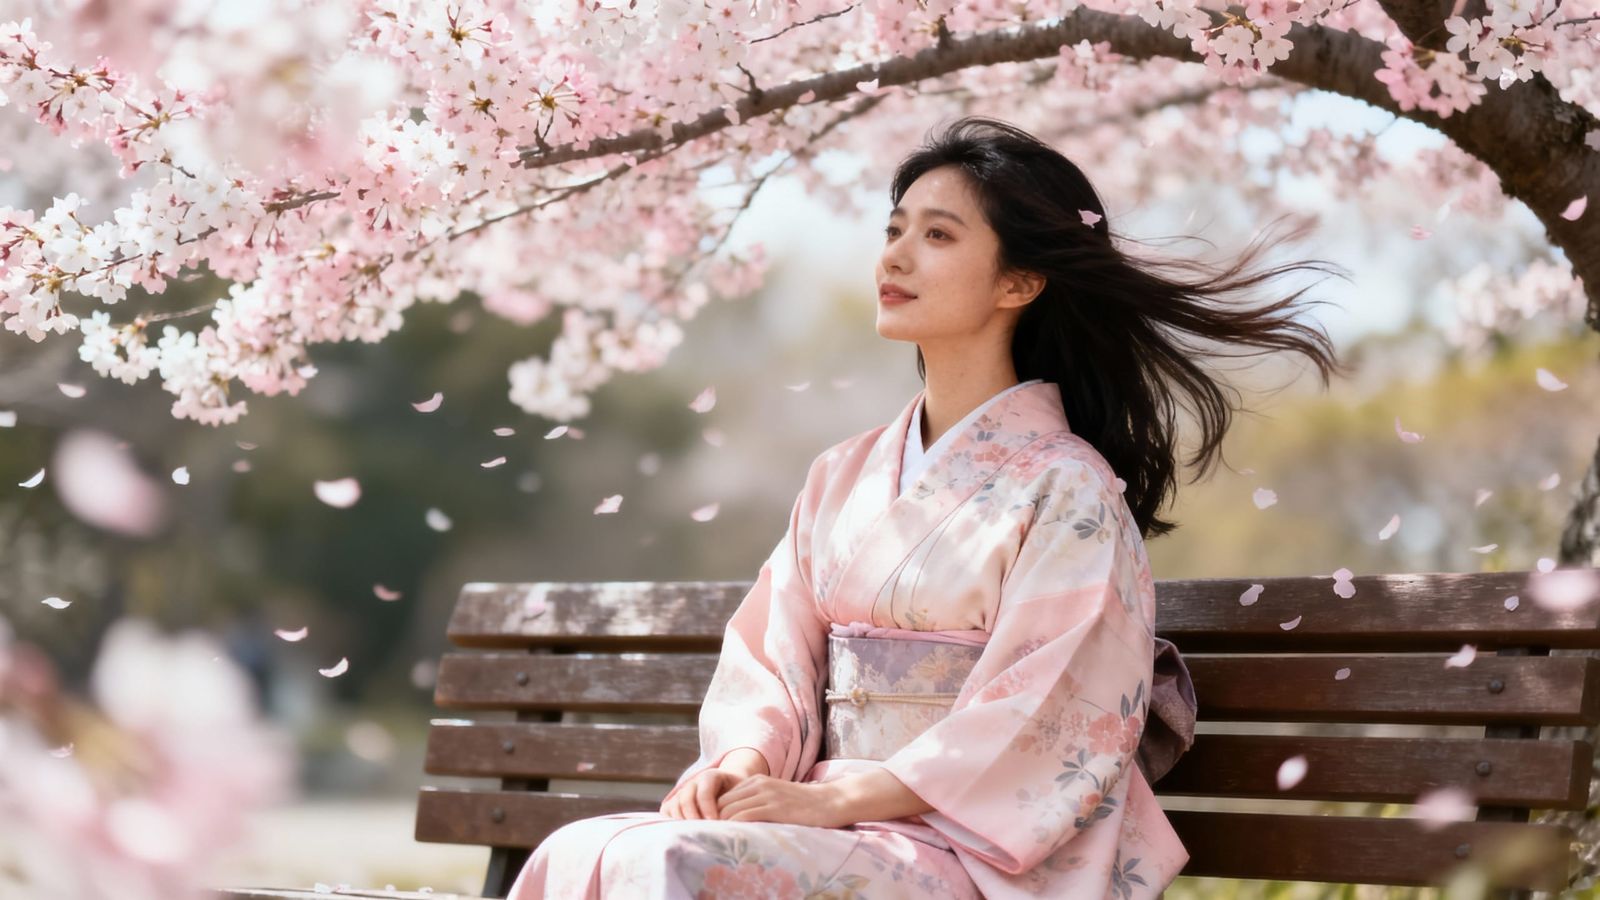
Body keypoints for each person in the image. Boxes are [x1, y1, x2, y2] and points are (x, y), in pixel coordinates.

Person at [508, 115, 1348, 899]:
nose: (896, 257)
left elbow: (1048, 711)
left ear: (1020, 281)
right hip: (834, 819)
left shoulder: (1069, 489)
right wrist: (740, 760)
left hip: (968, 852)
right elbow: (772, 653)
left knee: (670, 860)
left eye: (937, 235)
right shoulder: (842, 474)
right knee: (583, 849)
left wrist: (839, 803)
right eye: (894, 229)